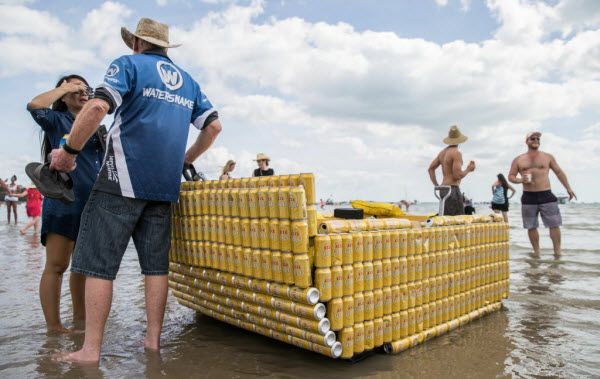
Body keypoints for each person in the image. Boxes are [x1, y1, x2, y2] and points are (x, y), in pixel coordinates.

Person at [50, 18, 221, 363]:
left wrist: (68, 153)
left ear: (136, 43)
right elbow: (213, 126)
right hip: (164, 186)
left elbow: (98, 106)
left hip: (120, 181)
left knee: (99, 265)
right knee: (155, 267)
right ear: (164, 47)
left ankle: (90, 350)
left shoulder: (127, 64)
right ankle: (153, 343)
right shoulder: (188, 82)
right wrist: (184, 159)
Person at [27, 74, 104, 333]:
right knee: (57, 265)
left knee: (82, 266)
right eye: (75, 89)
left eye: (86, 89)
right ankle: (54, 326)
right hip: (63, 200)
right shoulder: (57, 119)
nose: (83, 92)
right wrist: (63, 89)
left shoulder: (97, 124)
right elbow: (35, 105)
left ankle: (80, 321)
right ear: (63, 94)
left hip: (93, 202)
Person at [508, 131, 576, 256]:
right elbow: (511, 176)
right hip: (528, 196)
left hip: (546, 194)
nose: (536, 140)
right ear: (527, 141)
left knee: (554, 224)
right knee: (531, 226)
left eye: (538, 139)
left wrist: (568, 188)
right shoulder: (519, 159)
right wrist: (519, 180)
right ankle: (537, 252)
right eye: (533, 138)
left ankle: (557, 252)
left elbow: (559, 172)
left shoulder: (547, 157)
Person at [427, 126, 475, 215]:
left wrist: (437, 185)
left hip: (443, 189)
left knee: (446, 219)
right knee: (458, 220)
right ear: (459, 140)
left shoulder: (442, 153)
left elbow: (431, 169)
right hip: (453, 189)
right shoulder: (456, 153)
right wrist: (468, 169)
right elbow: (457, 176)